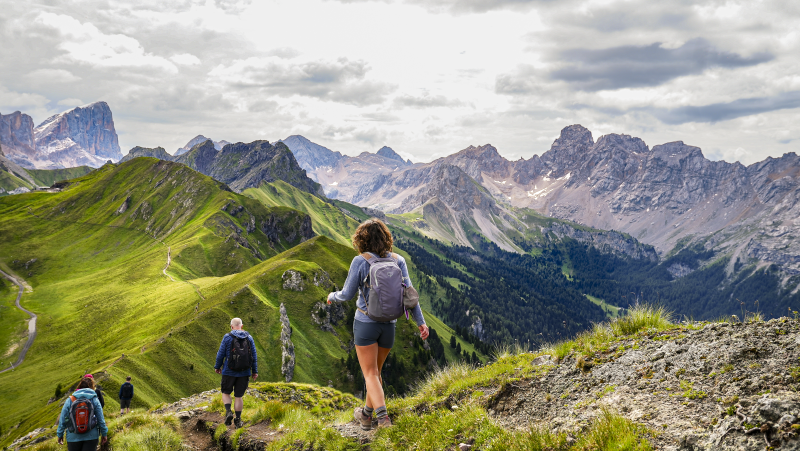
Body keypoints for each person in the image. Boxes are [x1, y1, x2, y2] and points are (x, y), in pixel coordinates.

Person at [327, 219, 428, 429]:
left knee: (370, 373)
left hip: (365, 323)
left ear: (361, 239)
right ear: (386, 237)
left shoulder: (360, 261)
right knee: (376, 373)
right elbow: (409, 296)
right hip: (389, 326)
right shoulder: (398, 260)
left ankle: (383, 420)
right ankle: (365, 415)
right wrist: (421, 323)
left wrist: (331, 296)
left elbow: (346, 295)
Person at [214, 317, 258, 429]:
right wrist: (254, 371)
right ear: (241, 326)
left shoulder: (227, 337)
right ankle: (238, 420)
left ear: (231, 326)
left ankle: (228, 412)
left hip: (229, 371)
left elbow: (221, 354)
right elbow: (253, 355)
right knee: (239, 396)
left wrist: (217, 366)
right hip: (244, 372)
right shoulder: (249, 338)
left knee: (226, 392)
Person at [57, 376, 108, 451]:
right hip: (91, 436)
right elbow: (101, 419)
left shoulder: (70, 400)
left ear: (79, 386)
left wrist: (60, 434)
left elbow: (63, 418)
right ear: (92, 387)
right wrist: (104, 433)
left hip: (73, 437)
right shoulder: (94, 399)